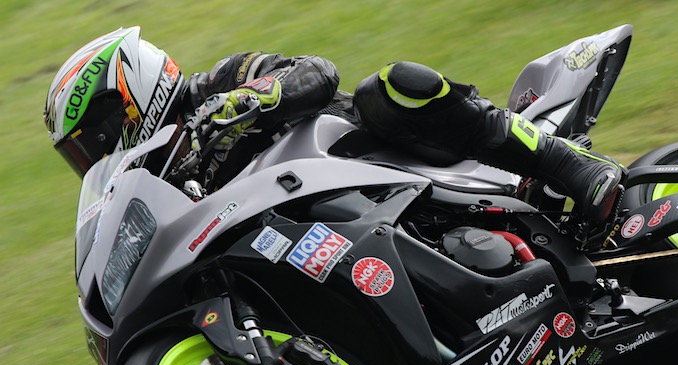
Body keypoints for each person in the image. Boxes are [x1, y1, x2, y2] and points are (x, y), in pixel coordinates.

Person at [44, 27, 623, 228]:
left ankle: (565, 162)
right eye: (82, 154)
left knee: (391, 86)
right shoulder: (164, 184)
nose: (96, 156)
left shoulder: (219, 82)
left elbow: (316, 73)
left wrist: (238, 103)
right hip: (338, 228)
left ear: (131, 92)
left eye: (97, 138)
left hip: (385, 155)